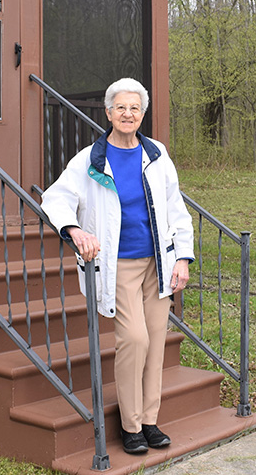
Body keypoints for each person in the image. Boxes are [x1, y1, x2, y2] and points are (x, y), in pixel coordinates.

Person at [40, 77, 193, 455]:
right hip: (119, 264)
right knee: (134, 339)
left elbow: (176, 209)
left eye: (135, 108)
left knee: (156, 342)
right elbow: (55, 199)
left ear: (142, 114)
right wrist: (74, 229)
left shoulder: (156, 154)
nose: (128, 114)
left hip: (158, 261)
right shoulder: (90, 160)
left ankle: (150, 421)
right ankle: (130, 425)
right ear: (108, 113)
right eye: (120, 107)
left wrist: (184, 258)